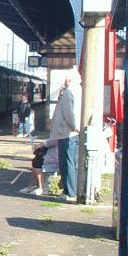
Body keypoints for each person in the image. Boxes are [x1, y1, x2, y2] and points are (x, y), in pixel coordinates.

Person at [49, 71, 81, 200]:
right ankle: (69, 190)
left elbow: (69, 113)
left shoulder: (68, 93)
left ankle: (70, 192)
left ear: (69, 80)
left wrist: (74, 126)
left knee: (66, 163)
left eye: (66, 79)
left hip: (67, 133)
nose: (64, 81)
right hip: (69, 133)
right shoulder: (75, 91)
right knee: (69, 163)